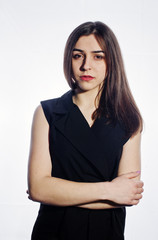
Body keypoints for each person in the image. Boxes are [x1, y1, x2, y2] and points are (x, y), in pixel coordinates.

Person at [27, 21, 144, 240]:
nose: (86, 65)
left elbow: (128, 194)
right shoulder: (46, 113)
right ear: (68, 59)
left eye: (98, 56)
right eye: (78, 55)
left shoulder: (130, 120)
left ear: (112, 61)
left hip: (107, 232)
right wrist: (110, 191)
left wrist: (58, 192)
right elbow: (38, 189)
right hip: (54, 231)